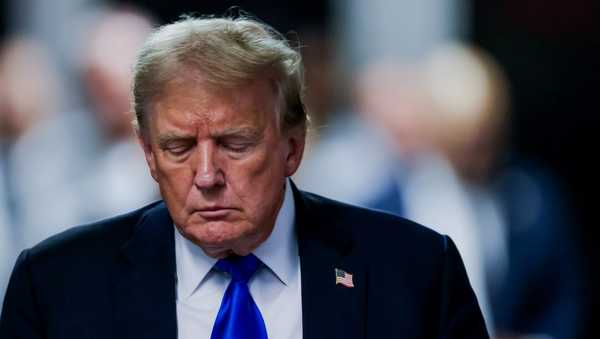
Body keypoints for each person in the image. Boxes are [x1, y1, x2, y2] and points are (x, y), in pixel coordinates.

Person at [0, 15, 489, 339]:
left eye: (236, 144)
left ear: (293, 146)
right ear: (148, 154)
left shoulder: (416, 273)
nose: (207, 175)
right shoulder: (57, 287)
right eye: (178, 147)